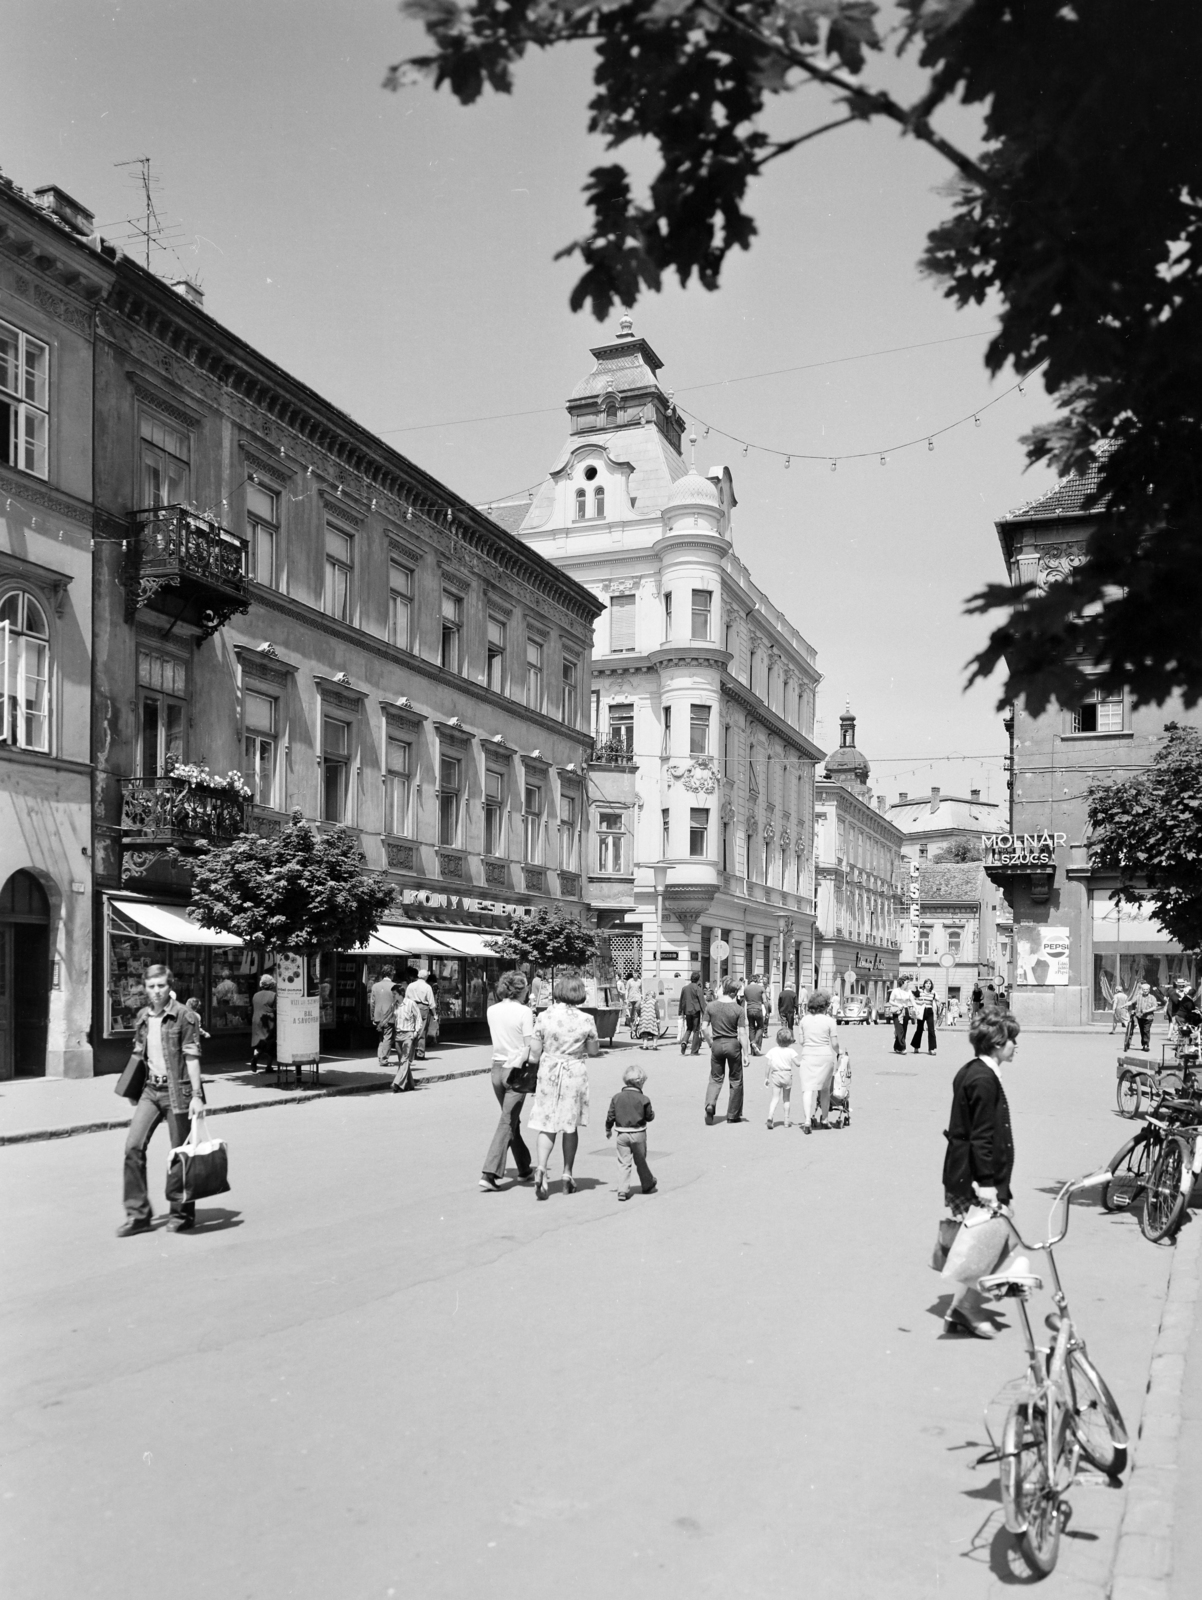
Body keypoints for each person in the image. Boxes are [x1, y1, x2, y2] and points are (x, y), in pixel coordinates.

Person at [941, 1011, 1019, 1338]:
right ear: (998, 1043)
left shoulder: (974, 1071)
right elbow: (982, 1136)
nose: (1016, 1046)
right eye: (1013, 1040)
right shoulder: (984, 1080)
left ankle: (965, 1304)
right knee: (994, 1239)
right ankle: (966, 1307)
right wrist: (987, 1183)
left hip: (969, 1170)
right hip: (978, 1175)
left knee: (989, 1239)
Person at [119, 964, 205, 1237]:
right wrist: (133, 1091)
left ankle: (181, 1213)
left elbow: (191, 1057)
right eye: (151, 986)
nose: (156, 992)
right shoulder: (143, 1016)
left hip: (177, 1092)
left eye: (161, 986)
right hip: (150, 1091)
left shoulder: (184, 1015)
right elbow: (139, 1055)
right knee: (133, 1147)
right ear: (145, 988)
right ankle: (138, 1215)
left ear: (170, 986)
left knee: (179, 1153)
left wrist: (198, 1096)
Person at [526, 972, 600, 1198]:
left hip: (549, 1071)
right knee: (569, 1125)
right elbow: (594, 1051)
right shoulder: (586, 1019)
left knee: (546, 1122)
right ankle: (567, 1174)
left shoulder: (544, 1016)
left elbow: (535, 1054)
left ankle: (541, 1168)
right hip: (573, 1072)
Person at [480, 971, 536, 1190]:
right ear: (520, 990)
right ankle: (489, 1173)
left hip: (496, 1069)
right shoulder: (524, 1012)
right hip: (516, 1071)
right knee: (507, 1121)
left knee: (511, 1120)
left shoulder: (491, 1010)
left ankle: (523, 1167)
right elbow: (528, 1045)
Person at [605, 1063, 657, 1200]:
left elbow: (611, 1115)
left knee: (623, 1162)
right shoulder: (644, 1099)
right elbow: (649, 1116)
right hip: (639, 1133)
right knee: (641, 1161)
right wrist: (652, 1114)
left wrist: (608, 1128)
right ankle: (647, 1183)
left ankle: (622, 1190)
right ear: (640, 1083)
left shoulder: (617, 1097)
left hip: (622, 1134)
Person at [702, 979, 749, 1124]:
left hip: (717, 1043)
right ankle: (733, 1115)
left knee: (715, 1078)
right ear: (734, 992)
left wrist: (710, 1042)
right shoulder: (738, 1009)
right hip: (733, 1045)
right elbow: (741, 1033)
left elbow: (704, 1028)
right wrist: (746, 1054)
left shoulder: (711, 1006)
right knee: (735, 1079)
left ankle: (710, 1104)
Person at [796, 991, 840, 1132]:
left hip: (808, 1056)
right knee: (825, 1090)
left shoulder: (803, 1020)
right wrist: (840, 1053)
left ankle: (807, 1120)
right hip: (825, 1057)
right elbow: (834, 1044)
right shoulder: (830, 1021)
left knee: (807, 1089)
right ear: (825, 1005)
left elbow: (802, 1042)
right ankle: (825, 1119)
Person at [764, 1028, 800, 1129]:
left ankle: (770, 1116)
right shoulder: (791, 1051)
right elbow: (797, 1064)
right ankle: (786, 1120)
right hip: (787, 1075)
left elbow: (768, 1065)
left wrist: (766, 1078)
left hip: (775, 1075)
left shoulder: (772, 1051)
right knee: (786, 1099)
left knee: (775, 1098)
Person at [391, 979, 423, 1092]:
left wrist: (415, 1032)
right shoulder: (394, 1005)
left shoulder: (411, 1004)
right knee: (402, 1061)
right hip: (398, 1035)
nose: (393, 996)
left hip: (408, 1035)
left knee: (404, 1060)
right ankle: (410, 1084)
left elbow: (418, 1018)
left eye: (394, 994)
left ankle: (397, 1083)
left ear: (401, 993)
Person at [369, 966, 396, 1067]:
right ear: (391, 974)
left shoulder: (375, 986)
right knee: (388, 1037)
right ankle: (384, 1059)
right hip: (389, 1016)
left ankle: (380, 1056)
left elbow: (372, 1002)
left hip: (378, 1015)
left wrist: (372, 1016)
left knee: (381, 1037)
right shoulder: (395, 986)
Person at [405, 968, 435, 1060]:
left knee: (412, 1029)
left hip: (412, 1007)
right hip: (423, 1008)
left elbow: (406, 998)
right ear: (426, 977)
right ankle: (420, 1053)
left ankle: (410, 1052)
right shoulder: (427, 987)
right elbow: (431, 1002)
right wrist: (435, 1014)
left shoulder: (410, 985)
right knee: (422, 1031)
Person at [249, 973, 276, 1069]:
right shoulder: (274, 995)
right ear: (271, 984)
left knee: (258, 1042)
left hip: (256, 1020)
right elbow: (276, 1009)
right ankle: (268, 1066)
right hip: (268, 1021)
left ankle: (255, 1058)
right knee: (270, 1043)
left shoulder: (255, 995)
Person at [678, 970, 705, 1056]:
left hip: (687, 1011)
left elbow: (681, 1000)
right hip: (696, 1011)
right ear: (698, 979)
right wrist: (705, 1012)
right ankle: (694, 1050)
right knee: (696, 1030)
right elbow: (701, 1001)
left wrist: (680, 1011)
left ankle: (684, 1042)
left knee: (689, 1028)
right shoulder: (698, 988)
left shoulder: (684, 988)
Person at [912, 979, 938, 1055]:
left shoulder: (933, 993)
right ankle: (916, 1047)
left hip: (929, 1011)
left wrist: (936, 1013)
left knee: (931, 1030)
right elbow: (913, 1000)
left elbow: (934, 1002)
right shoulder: (919, 991)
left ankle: (931, 1049)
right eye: (926, 983)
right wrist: (919, 1002)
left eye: (930, 983)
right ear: (924, 985)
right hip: (922, 1011)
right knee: (919, 1029)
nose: (928, 985)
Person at [1130, 982, 1158, 1052]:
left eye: (1147, 989)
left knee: (1146, 1030)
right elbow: (1131, 1002)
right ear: (1142, 990)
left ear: (1149, 990)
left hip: (1148, 1017)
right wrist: (1124, 1005)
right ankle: (1143, 1044)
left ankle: (1146, 1045)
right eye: (1144, 989)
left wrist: (1147, 1011)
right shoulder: (1138, 997)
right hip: (1140, 1017)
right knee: (1142, 1031)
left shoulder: (1152, 997)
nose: (1145, 991)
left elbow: (1155, 1007)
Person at [889, 978, 914, 1055]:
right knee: (899, 1029)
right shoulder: (895, 991)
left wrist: (916, 1006)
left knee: (904, 1029)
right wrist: (898, 1004)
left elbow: (912, 1000)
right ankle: (903, 1047)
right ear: (902, 983)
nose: (908, 984)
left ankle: (897, 1047)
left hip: (905, 1011)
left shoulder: (908, 991)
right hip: (897, 1011)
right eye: (907, 982)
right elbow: (890, 1001)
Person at [743, 972, 766, 1055]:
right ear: (756, 980)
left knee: (751, 1027)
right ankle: (754, 1042)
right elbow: (765, 1000)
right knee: (761, 1027)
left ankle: (753, 1049)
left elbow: (745, 999)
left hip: (749, 1009)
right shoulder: (761, 988)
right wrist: (767, 1010)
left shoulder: (745, 988)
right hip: (758, 1009)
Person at [637, 985, 661, 1050]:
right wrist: (658, 1018)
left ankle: (645, 1046)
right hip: (652, 1019)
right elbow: (657, 1010)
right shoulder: (654, 1001)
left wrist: (639, 1015)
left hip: (644, 1019)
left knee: (645, 1032)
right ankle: (654, 1045)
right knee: (655, 1032)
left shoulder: (642, 1001)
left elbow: (637, 1008)